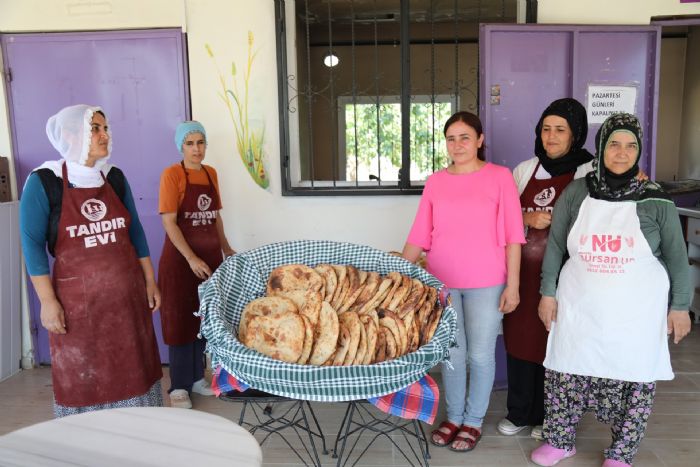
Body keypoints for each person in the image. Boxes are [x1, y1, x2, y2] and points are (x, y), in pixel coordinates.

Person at [531, 113, 691, 467]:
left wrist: (680, 306)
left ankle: (621, 451)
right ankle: (560, 440)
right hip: (579, 306)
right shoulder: (576, 192)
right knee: (567, 371)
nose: (622, 153)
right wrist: (548, 292)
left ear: (639, 151)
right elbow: (556, 246)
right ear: (601, 148)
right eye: (614, 144)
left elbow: (679, 260)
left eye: (631, 145)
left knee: (633, 378)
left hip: (635, 313)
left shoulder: (656, 200)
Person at [19, 104, 163, 417]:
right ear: (71, 134)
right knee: (84, 374)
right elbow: (31, 245)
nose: (104, 135)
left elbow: (135, 232)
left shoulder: (114, 177)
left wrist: (150, 281)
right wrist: (47, 301)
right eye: (95, 128)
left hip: (126, 302)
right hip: (77, 310)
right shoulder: (45, 181)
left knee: (134, 369)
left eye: (105, 128)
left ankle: (140, 436)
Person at [402, 111, 525, 452]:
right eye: (451, 138)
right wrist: (396, 272)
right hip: (442, 284)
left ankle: (472, 421)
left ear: (480, 140)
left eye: (465, 137)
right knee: (452, 352)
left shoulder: (500, 178)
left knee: (481, 355)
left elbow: (514, 236)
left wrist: (513, 286)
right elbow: (419, 234)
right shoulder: (436, 182)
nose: (457, 145)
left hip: (488, 282)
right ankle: (454, 416)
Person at [500, 98, 594, 441]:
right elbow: (502, 218)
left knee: (556, 343)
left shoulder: (591, 173)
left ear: (576, 134)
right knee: (520, 340)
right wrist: (527, 218)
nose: (551, 137)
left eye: (560, 130)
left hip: (567, 277)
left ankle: (551, 417)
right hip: (521, 276)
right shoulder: (524, 170)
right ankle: (519, 412)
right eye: (546, 129)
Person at [158, 120, 235, 409]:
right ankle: (178, 386)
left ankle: (196, 379)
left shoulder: (211, 173)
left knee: (204, 320)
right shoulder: (172, 175)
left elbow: (214, 217)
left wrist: (226, 248)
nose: (196, 149)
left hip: (210, 261)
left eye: (200, 142)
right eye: (190, 143)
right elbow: (168, 221)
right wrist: (191, 258)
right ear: (181, 146)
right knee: (180, 321)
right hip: (180, 263)